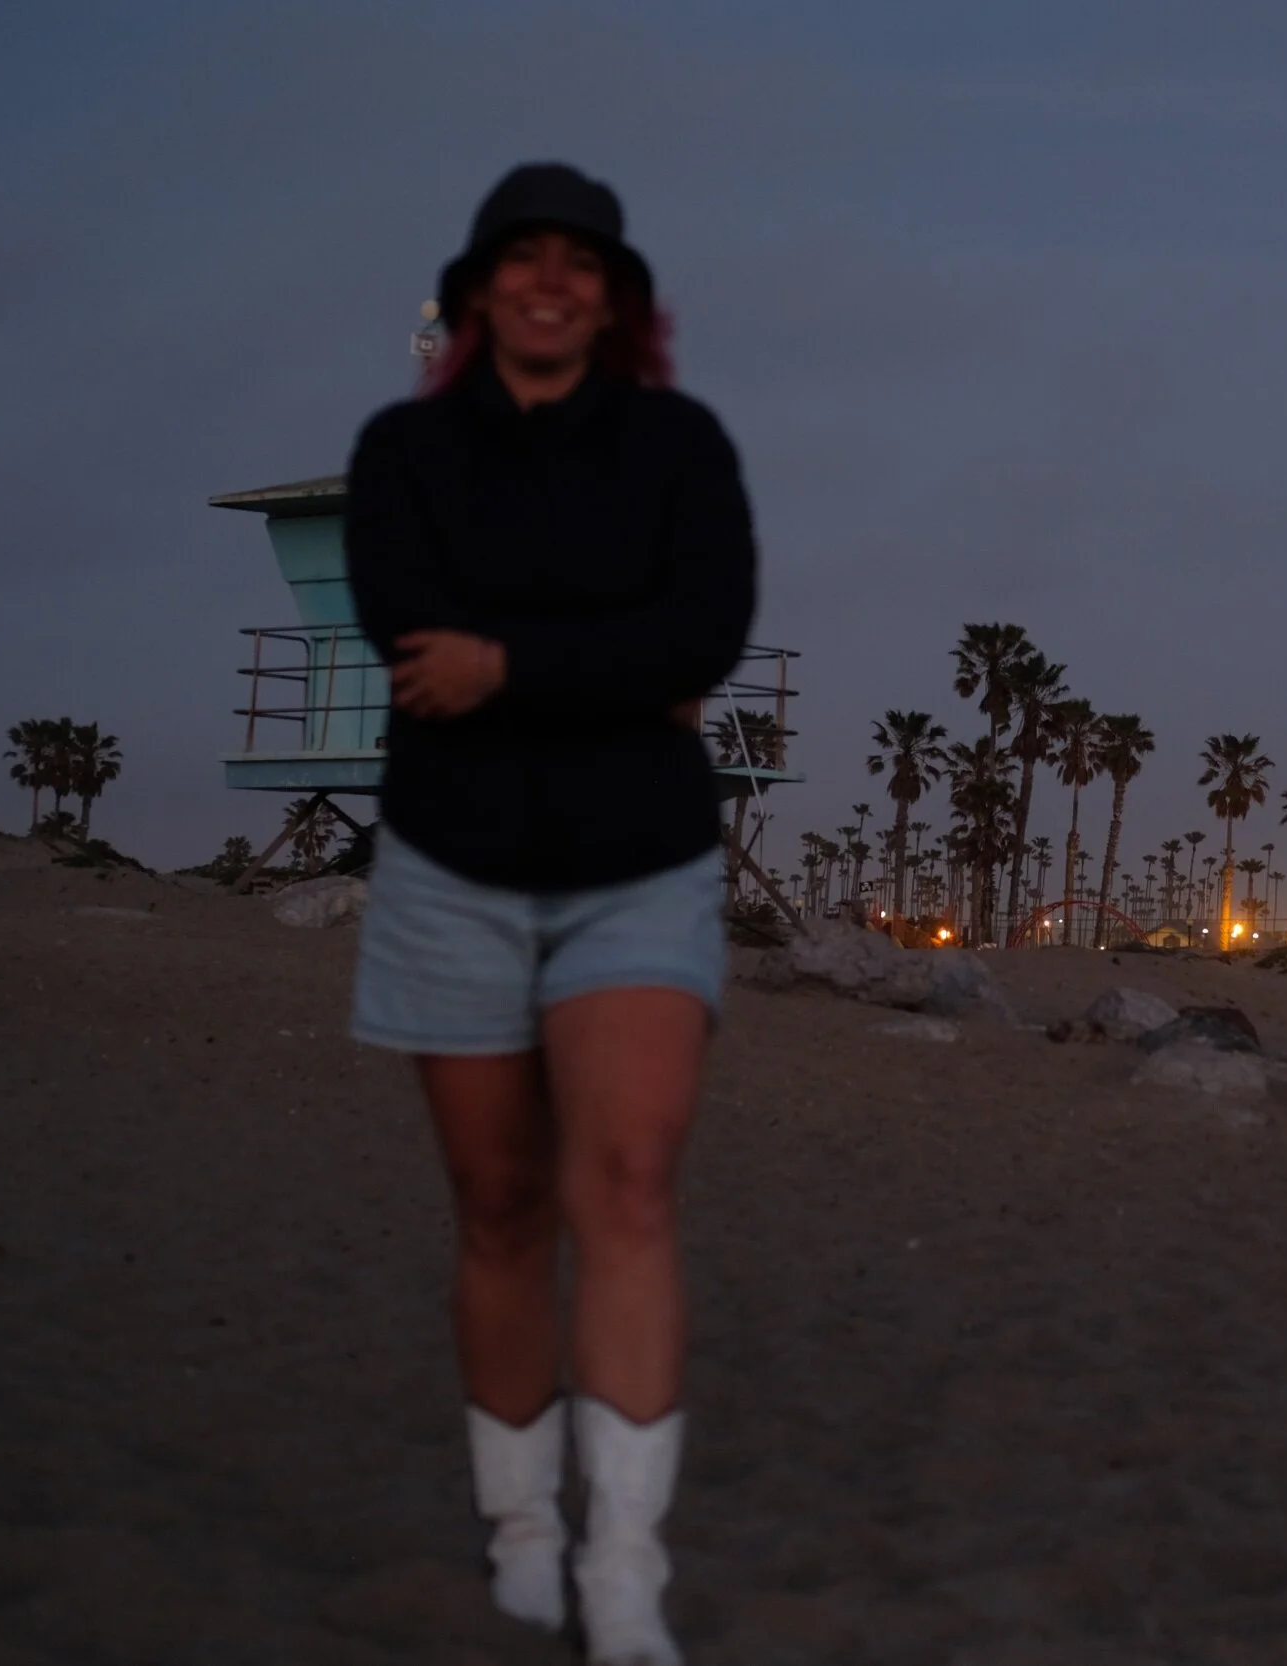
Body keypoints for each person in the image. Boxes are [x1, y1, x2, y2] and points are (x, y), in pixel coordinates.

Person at [343, 161, 756, 1666]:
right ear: (475, 291)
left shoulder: (680, 447)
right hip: (450, 865)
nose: (548, 278)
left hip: (638, 866)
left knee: (628, 1187)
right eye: (520, 255)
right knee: (502, 1206)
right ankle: (521, 1527)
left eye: (579, 259)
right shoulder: (402, 452)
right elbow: (408, 635)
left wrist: (507, 664)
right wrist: (611, 656)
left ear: (617, 297)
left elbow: (704, 631)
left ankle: (624, 1570)